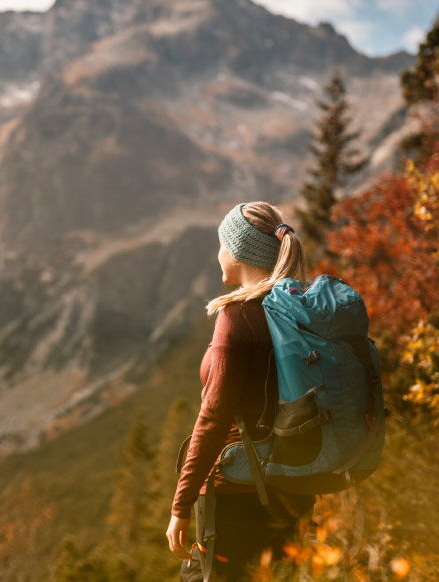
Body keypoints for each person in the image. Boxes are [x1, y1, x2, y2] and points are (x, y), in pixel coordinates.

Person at [166, 201, 317, 581]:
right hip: (294, 485)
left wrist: (180, 506)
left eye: (221, 244)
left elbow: (214, 417)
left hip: (237, 493)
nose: (218, 253)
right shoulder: (298, 309)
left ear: (238, 249)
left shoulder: (237, 318)